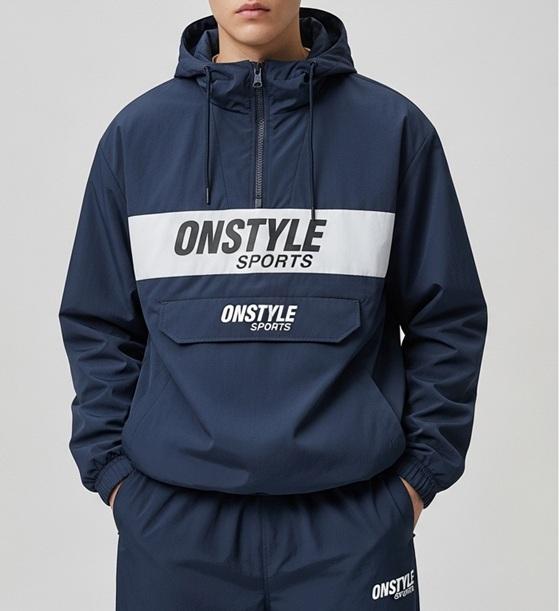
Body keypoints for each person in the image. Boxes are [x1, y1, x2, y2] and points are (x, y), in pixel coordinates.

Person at [59, 2, 488, 609]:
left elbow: (448, 317)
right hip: (174, 529)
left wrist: (417, 480)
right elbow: (97, 321)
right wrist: (115, 477)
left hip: (350, 528)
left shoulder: (393, 130)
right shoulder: (137, 136)